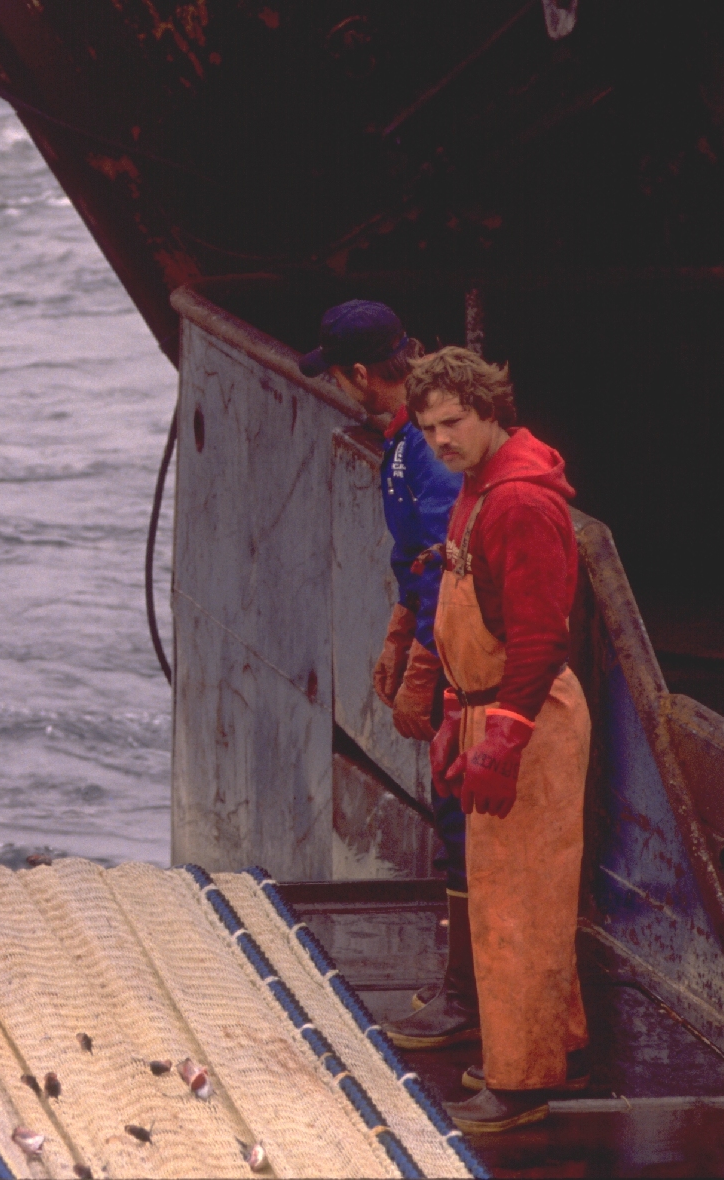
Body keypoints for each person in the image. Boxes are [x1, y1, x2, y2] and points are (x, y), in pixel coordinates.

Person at [405, 346, 592, 1133]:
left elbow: (541, 635)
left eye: (453, 422)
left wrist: (502, 740)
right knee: (518, 898)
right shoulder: (478, 487)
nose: (439, 439)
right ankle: (560, 1048)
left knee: (516, 907)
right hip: (489, 706)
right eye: (426, 428)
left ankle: (518, 1085)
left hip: (527, 718)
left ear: (490, 411)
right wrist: (454, 711)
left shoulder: (516, 503)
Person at [299, 301, 475, 1048]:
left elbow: (445, 557)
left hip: (468, 671)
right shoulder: (408, 439)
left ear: (364, 375)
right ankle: (467, 991)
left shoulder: (423, 450)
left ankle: (467, 1000)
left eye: (341, 376)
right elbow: (418, 566)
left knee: (460, 823)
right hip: (447, 647)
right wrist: (398, 627)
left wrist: (422, 672)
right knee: (453, 817)